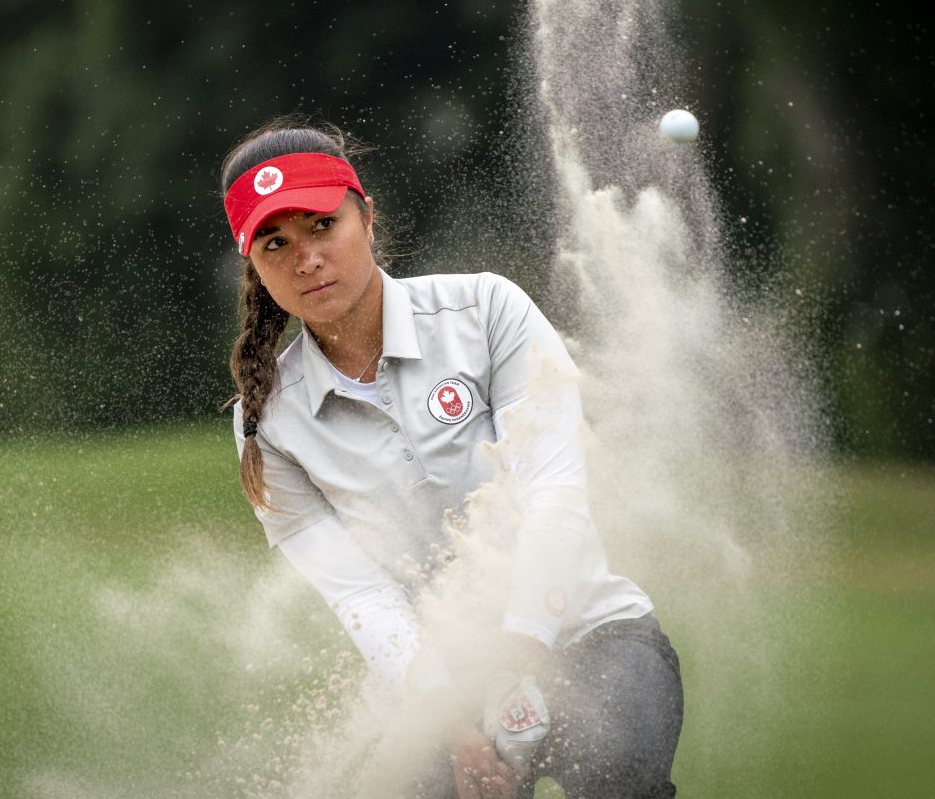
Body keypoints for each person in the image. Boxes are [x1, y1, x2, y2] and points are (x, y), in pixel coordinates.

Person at [221, 117, 683, 799]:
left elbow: (555, 493)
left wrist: (518, 655)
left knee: (617, 773)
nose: (306, 258)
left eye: (322, 225)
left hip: (591, 637)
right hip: (442, 689)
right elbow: (364, 597)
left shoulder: (486, 309)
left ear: (366, 217)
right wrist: (453, 722)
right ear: (253, 263)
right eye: (275, 242)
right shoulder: (267, 423)